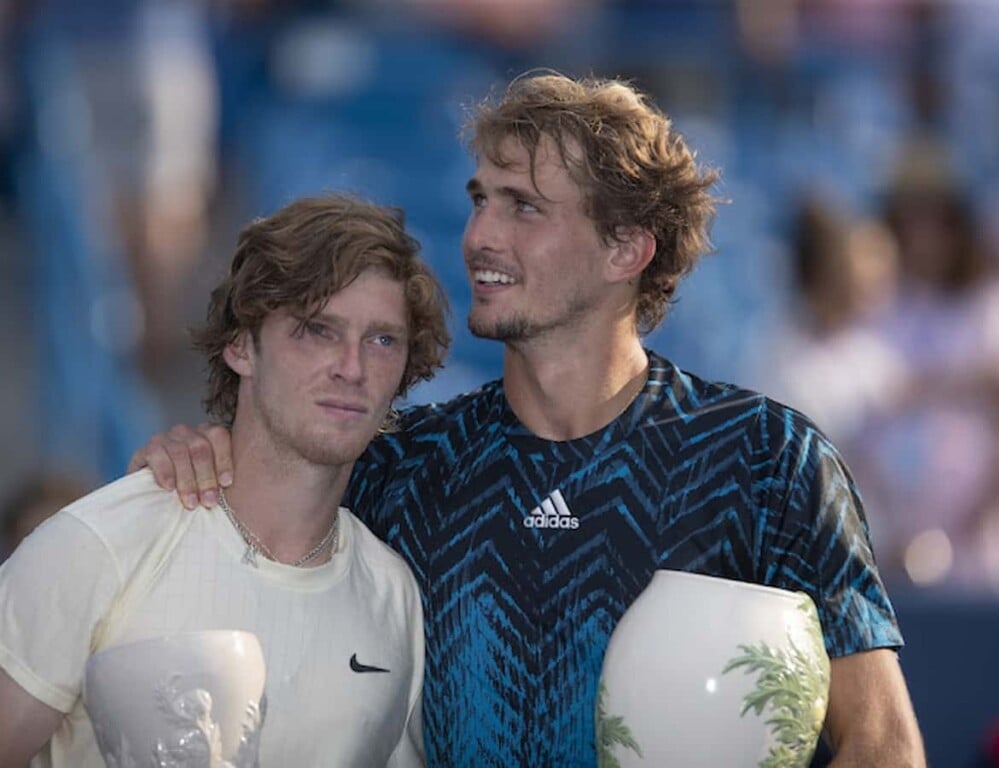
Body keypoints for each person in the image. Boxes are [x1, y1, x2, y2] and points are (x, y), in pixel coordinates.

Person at [130, 73, 926, 766]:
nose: (479, 236)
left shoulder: (766, 459)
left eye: (524, 208)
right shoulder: (400, 464)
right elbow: (235, 545)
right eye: (481, 201)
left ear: (626, 249)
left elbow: (885, 744)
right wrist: (193, 457)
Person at [0, 194, 451, 767]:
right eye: (317, 330)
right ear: (241, 346)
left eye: (382, 339)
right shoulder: (101, 546)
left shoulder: (396, 599)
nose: (353, 367)